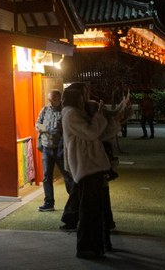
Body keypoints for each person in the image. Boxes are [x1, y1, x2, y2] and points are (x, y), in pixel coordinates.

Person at [61, 86, 111, 260]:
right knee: (89, 210)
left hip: (90, 166)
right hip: (85, 167)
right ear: (77, 97)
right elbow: (91, 133)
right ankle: (87, 247)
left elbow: (97, 134)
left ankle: (94, 246)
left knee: (93, 210)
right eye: (84, 95)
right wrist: (98, 114)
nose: (87, 98)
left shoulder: (77, 113)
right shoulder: (71, 114)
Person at [35, 89, 74, 212]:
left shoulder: (64, 111)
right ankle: (48, 202)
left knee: (67, 175)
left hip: (60, 148)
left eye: (52, 100)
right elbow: (37, 124)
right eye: (49, 100)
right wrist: (45, 129)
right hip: (46, 147)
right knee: (47, 176)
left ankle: (74, 201)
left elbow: (67, 130)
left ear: (59, 99)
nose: (50, 102)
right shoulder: (45, 110)